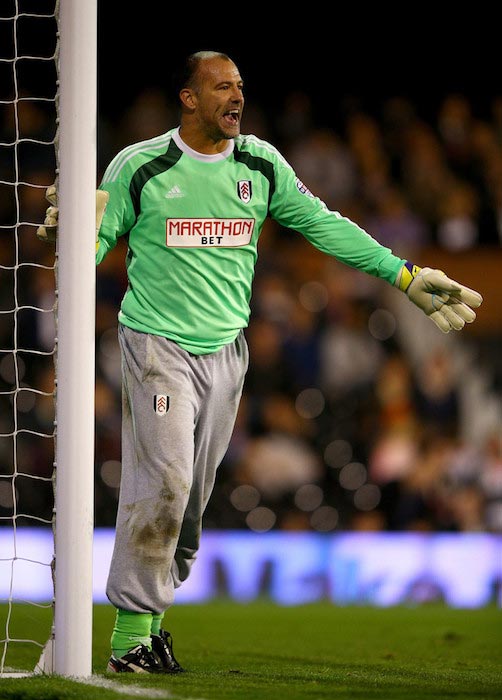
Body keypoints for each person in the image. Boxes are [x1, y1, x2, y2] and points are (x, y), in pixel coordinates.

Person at [37, 50, 483, 674]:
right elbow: (95, 246)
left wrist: (403, 274)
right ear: (189, 98)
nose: (236, 97)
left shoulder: (261, 164)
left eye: (240, 86)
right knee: (164, 483)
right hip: (157, 348)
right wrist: (77, 233)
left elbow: (323, 224)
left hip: (227, 354)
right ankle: (129, 643)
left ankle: (151, 626)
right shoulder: (141, 165)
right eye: (222, 86)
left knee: (188, 509)